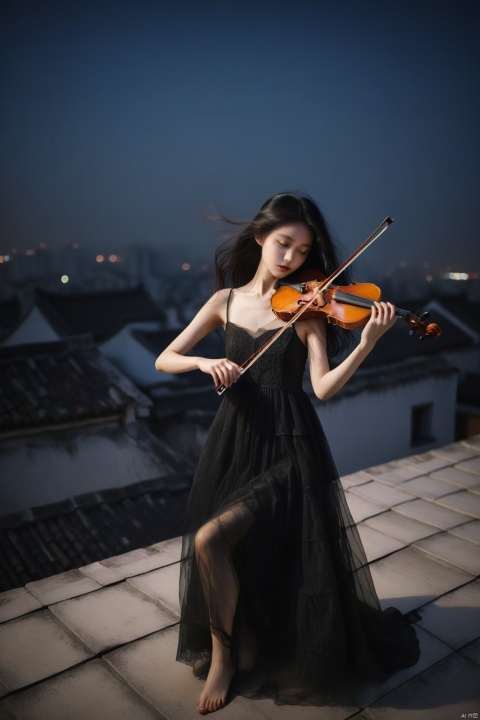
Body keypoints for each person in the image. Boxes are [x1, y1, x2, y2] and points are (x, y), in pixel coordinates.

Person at [155, 192, 420, 715]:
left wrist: (366, 342)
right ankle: (238, 644)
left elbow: (321, 389)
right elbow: (166, 359)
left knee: (211, 538)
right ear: (259, 237)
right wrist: (205, 364)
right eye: (283, 244)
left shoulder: (309, 308)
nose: (291, 259)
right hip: (235, 439)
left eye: (302, 251)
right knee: (225, 548)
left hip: (287, 447)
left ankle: (224, 657)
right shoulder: (224, 302)